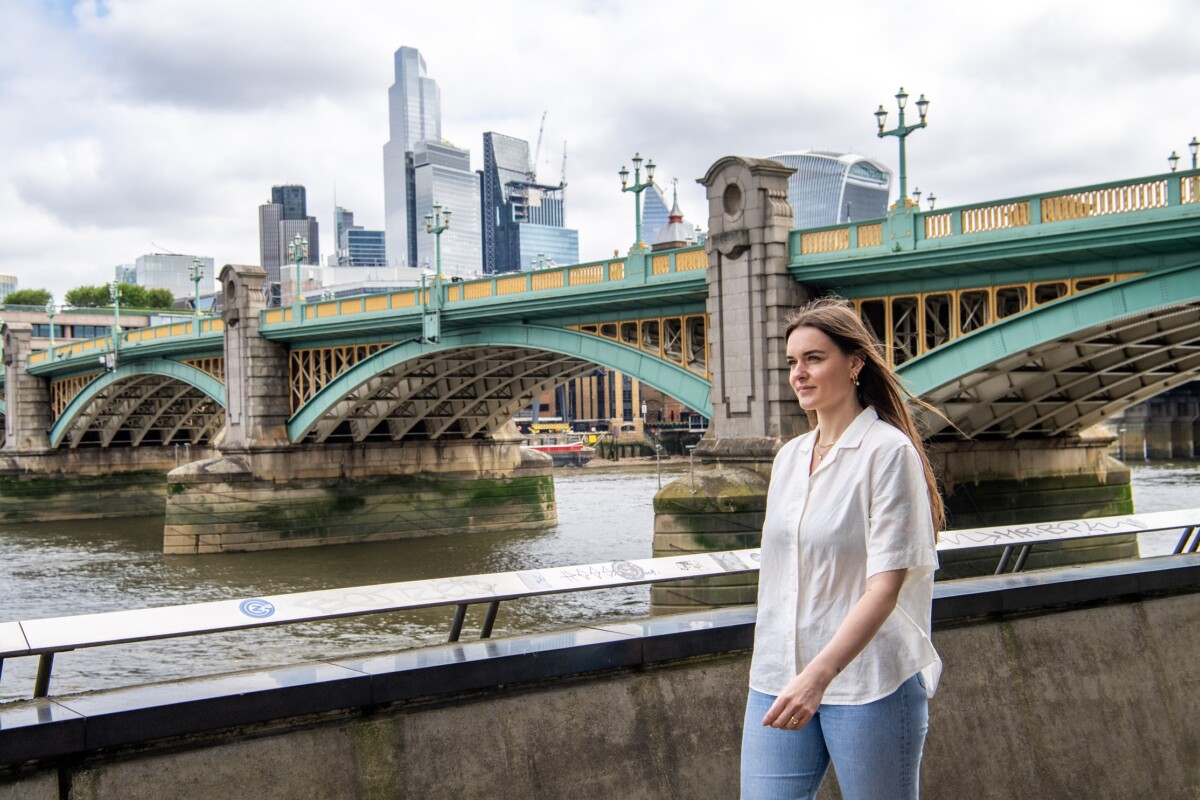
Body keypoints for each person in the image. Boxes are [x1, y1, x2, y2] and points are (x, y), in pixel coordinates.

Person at [740, 297, 944, 800]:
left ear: (854, 364)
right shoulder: (788, 458)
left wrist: (818, 677)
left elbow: (885, 587)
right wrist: (796, 676)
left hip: (871, 682)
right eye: (792, 362)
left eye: (814, 358)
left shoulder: (887, 453)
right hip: (778, 674)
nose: (799, 374)